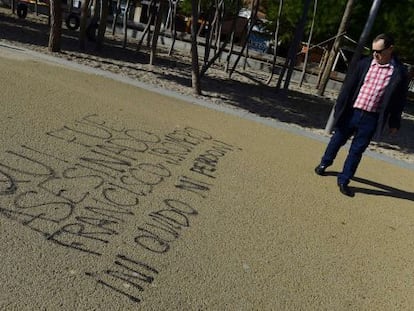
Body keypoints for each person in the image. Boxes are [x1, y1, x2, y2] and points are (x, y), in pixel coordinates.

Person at [314, 33, 409, 197]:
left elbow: (399, 101)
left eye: (379, 51)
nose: (375, 54)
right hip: (352, 112)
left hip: (372, 118)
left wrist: (394, 123)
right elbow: (348, 88)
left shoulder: (399, 72)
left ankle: (344, 180)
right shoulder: (364, 64)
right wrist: (339, 108)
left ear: (390, 49)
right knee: (337, 140)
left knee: (357, 150)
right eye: (373, 51)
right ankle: (324, 163)